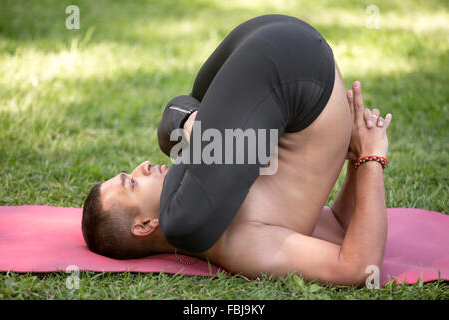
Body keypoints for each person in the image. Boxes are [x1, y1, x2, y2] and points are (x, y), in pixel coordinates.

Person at [82, 14, 393, 286]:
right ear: (145, 225)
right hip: (291, 63)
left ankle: (188, 119)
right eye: (132, 182)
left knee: (179, 128)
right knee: (183, 203)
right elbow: (353, 257)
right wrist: (368, 159)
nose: (144, 165)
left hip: (272, 46)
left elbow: (339, 231)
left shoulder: (213, 183)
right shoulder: (242, 245)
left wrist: (192, 125)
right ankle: (187, 120)